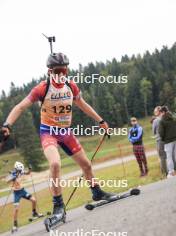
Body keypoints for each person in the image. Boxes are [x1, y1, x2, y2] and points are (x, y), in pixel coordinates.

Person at [2, 52, 115, 221]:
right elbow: (20, 107)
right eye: (57, 71)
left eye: (64, 70)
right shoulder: (42, 88)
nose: (61, 75)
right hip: (48, 132)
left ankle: (97, 192)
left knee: (86, 164)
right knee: (55, 164)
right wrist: (7, 125)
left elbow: (83, 105)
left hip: (65, 132)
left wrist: (101, 121)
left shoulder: (71, 86)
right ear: (49, 72)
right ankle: (58, 206)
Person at [6, 161, 41, 232]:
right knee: (16, 209)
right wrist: (12, 178)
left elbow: (27, 173)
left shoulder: (21, 172)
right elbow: (7, 181)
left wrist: (30, 169)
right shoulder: (13, 173)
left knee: (34, 200)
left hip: (22, 191)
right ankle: (15, 225)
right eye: (19, 170)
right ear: (16, 169)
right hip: (16, 193)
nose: (20, 171)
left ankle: (34, 213)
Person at [158, 106, 176, 178]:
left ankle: (171, 172)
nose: (161, 114)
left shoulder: (162, 120)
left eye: (161, 112)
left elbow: (161, 132)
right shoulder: (174, 117)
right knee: (175, 155)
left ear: (163, 112)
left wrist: (163, 139)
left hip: (168, 141)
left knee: (169, 157)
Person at [152, 106, 167, 175]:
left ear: (158, 112)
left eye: (155, 111)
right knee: (169, 155)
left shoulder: (155, 121)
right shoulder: (165, 118)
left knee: (162, 157)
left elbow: (154, 132)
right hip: (167, 139)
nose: (154, 113)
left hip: (160, 140)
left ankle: (164, 172)